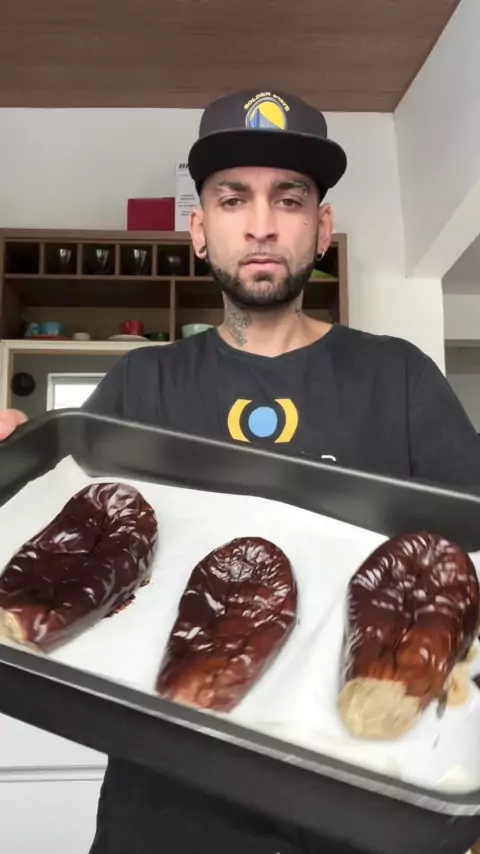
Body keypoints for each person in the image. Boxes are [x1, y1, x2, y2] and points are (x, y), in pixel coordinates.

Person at [1, 88, 480, 854]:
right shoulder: (140, 384)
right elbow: (57, 547)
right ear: (199, 231)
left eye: (289, 199)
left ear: (320, 228)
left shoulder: (399, 379)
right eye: (232, 199)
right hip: (159, 821)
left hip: (359, 818)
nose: (261, 223)